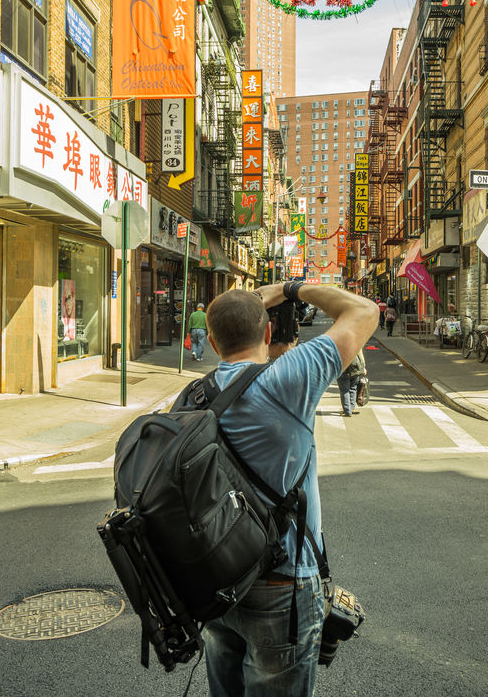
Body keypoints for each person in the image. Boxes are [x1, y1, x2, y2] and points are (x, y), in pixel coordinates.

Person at [202, 282, 379, 696]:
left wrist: (242, 306)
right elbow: (364, 311)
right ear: (267, 334)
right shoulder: (287, 380)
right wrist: (289, 289)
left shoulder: (193, 396)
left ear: (211, 342)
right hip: (282, 584)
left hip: (216, 584)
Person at [337, 348, 366, 416]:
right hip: (356, 369)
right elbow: (360, 355)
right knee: (353, 388)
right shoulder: (356, 341)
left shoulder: (339, 343)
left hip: (344, 369)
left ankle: (347, 411)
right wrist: (363, 367)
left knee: (344, 390)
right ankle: (352, 408)